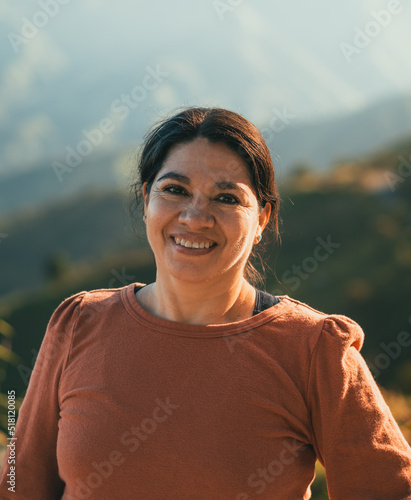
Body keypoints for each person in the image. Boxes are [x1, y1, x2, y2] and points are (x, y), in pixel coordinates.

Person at [0, 107, 410, 499]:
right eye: (175, 190)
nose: (195, 217)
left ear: (262, 219)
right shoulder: (78, 323)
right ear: (146, 200)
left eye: (227, 198)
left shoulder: (315, 350)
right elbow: (19, 483)